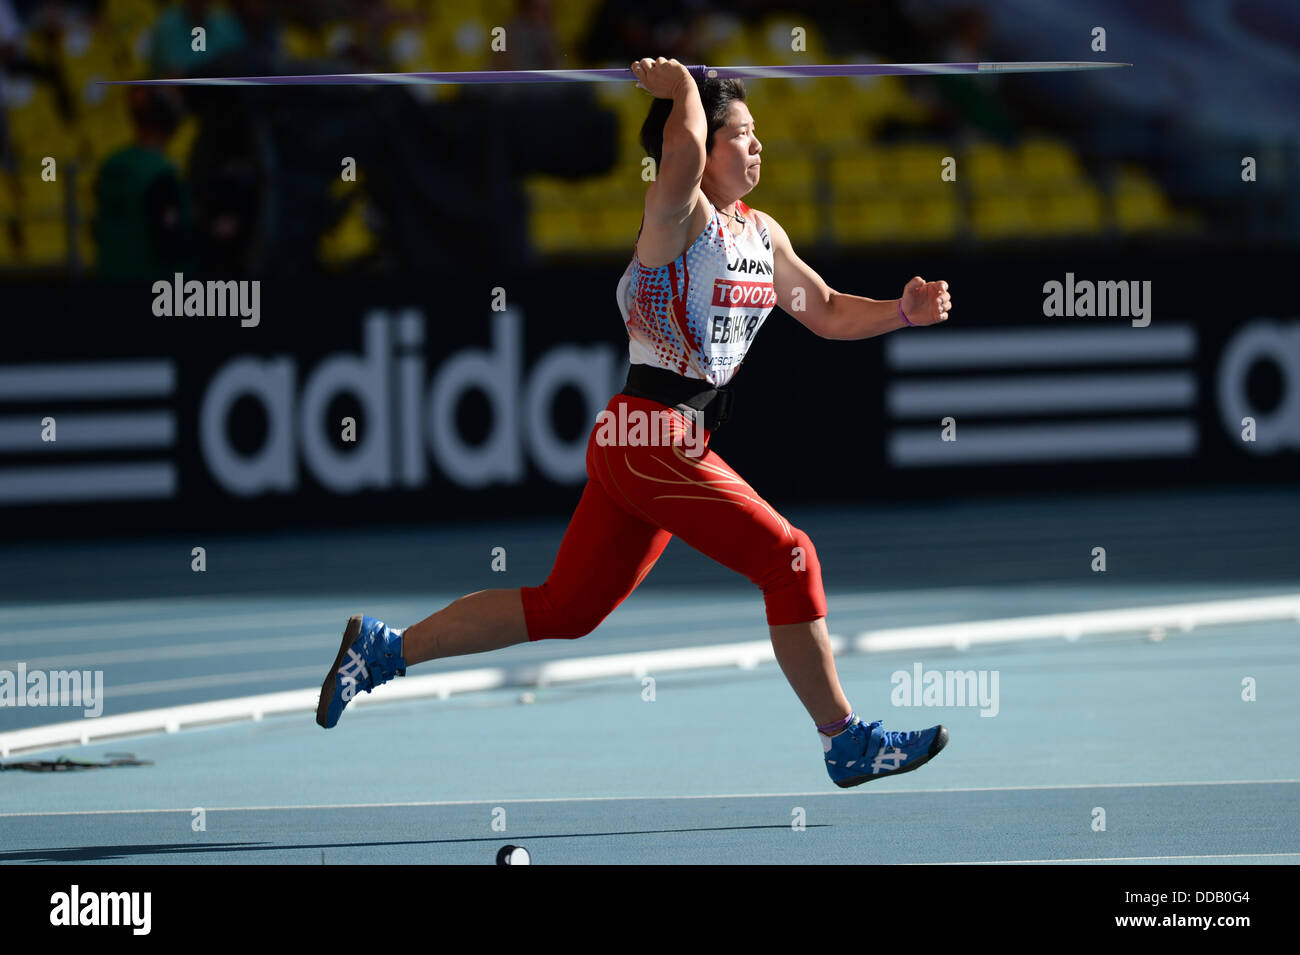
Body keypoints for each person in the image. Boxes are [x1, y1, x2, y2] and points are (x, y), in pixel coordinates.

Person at [317, 57, 955, 790]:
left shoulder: (762, 235)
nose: (756, 147)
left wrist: (902, 311)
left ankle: (383, 649)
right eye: (740, 136)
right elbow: (678, 150)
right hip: (651, 434)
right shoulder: (677, 218)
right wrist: (683, 88)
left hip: (655, 446)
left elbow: (829, 308)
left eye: (756, 135)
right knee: (791, 559)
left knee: (566, 608)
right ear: (702, 149)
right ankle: (844, 739)